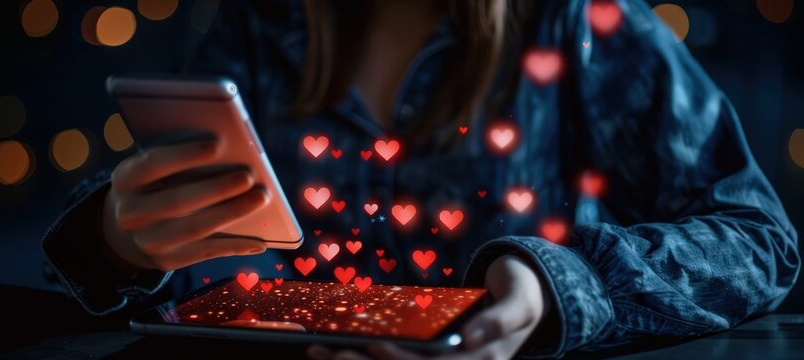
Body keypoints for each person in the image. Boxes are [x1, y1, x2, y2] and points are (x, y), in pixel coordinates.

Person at [42, 0, 800, 358]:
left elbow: (759, 240)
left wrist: (554, 287)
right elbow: (222, 261)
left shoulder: (576, 22)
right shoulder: (258, 28)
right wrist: (117, 242)